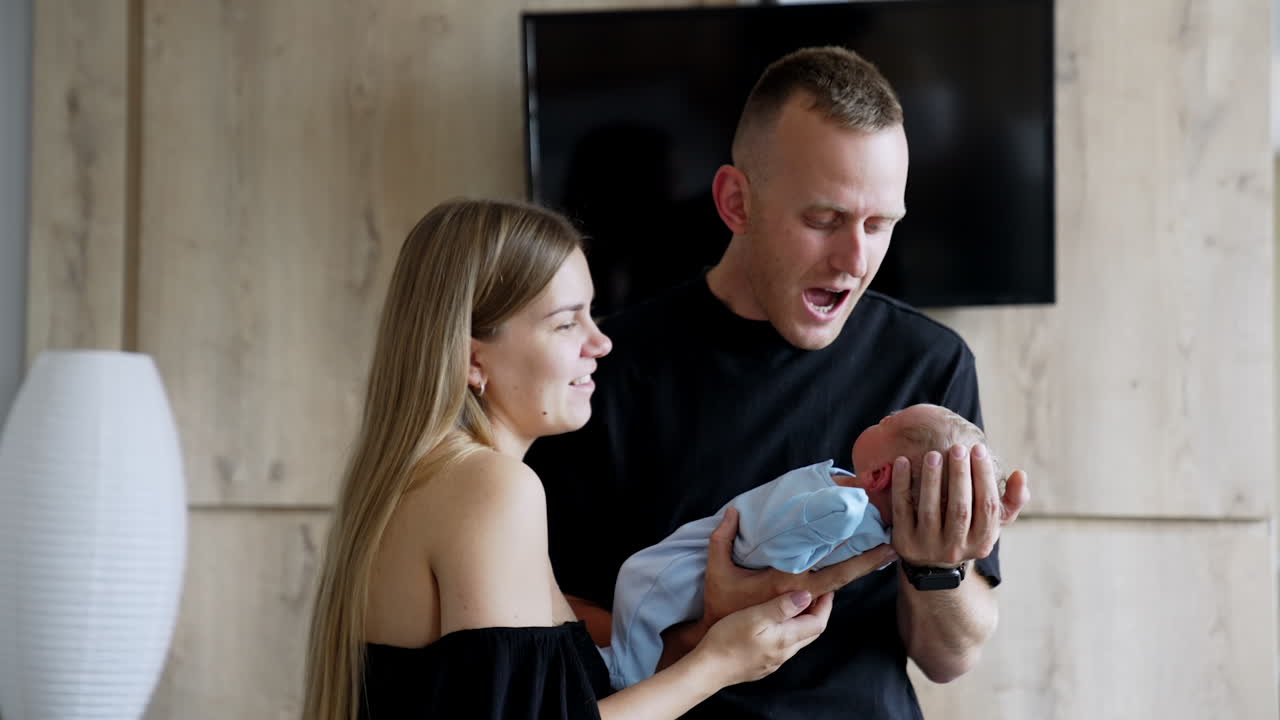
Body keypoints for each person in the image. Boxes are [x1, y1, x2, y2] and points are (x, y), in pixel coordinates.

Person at [525, 46, 1031, 719]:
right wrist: (704, 632)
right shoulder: (608, 367)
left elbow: (948, 660)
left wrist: (939, 568)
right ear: (736, 202)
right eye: (823, 220)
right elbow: (547, 622)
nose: (856, 259)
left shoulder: (927, 364)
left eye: (879, 225)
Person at [301, 198, 896, 720]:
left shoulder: (427, 481)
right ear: (473, 360)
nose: (601, 341)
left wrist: (704, 639)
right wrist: (717, 666)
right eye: (566, 323)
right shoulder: (492, 488)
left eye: (591, 312)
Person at [603, 403, 1009, 690]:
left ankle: (621, 674)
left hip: (696, 570)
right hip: (698, 582)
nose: (884, 416)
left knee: (639, 598)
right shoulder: (861, 510)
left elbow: (778, 547)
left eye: (890, 422)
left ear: (881, 474)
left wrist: (939, 568)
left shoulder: (844, 507)